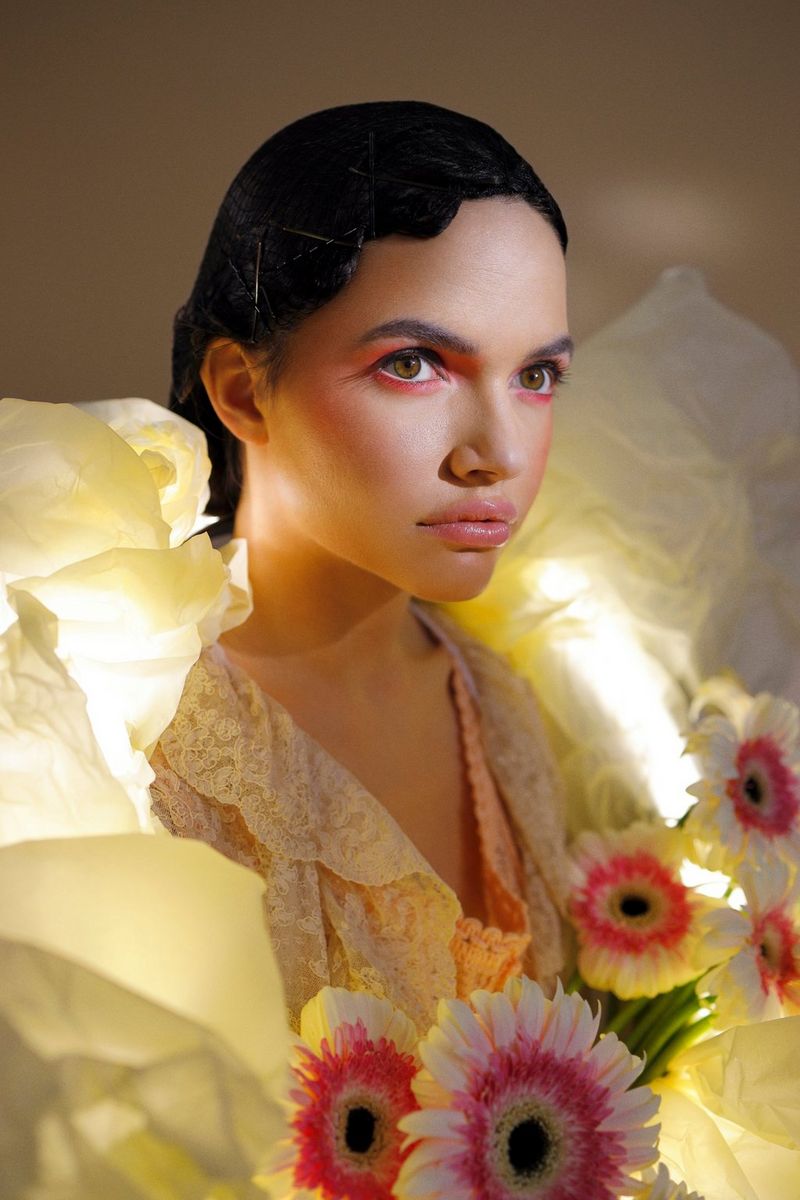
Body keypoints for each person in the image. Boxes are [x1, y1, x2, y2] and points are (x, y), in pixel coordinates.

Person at [151, 100, 573, 1031]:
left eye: (536, 377)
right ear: (242, 390)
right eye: (415, 363)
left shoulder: (503, 711)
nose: (494, 454)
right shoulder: (138, 741)